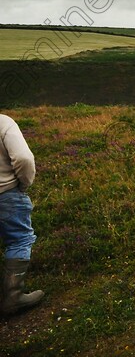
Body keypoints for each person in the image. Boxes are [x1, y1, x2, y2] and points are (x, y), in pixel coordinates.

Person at [0, 114, 44, 315]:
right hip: (5, 193)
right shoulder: (4, 123)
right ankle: (13, 296)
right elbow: (24, 158)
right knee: (19, 239)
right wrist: (24, 184)